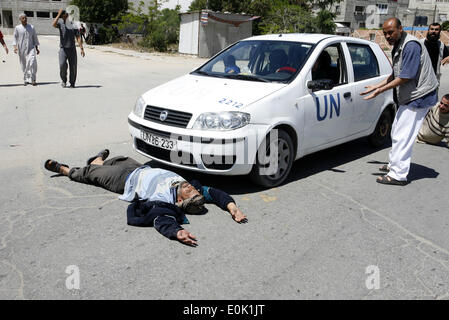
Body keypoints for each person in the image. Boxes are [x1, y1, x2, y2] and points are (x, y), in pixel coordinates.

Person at [43, 149, 247, 246]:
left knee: (91, 174)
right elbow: (215, 194)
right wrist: (232, 207)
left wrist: (176, 232)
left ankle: (65, 169)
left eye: (189, 192)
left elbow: (161, 218)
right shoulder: (191, 188)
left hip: (124, 181)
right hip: (138, 167)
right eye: (193, 190)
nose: (190, 187)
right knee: (118, 159)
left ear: (179, 201)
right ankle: (98, 160)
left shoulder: (163, 200)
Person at [360, 18, 439, 186]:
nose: (388, 36)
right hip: (410, 96)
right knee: (396, 131)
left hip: (419, 97)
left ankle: (398, 174)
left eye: (391, 32)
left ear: (400, 29)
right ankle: (393, 164)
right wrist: (376, 85)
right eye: (385, 33)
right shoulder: (399, 43)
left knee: (404, 135)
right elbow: (396, 73)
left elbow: (405, 76)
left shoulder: (410, 46)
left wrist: (380, 91)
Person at [52, 9, 85, 88]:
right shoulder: (60, 23)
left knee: (73, 67)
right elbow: (53, 24)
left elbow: (78, 37)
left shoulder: (73, 25)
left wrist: (81, 48)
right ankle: (64, 80)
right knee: (62, 65)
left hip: (72, 49)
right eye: (63, 14)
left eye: (66, 14)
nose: (65, 15)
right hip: (63, 49)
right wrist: (58, 14)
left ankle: (72, 83)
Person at [12, 13, 40, 86]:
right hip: (21, 49)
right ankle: (26, 79)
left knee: (32, 62)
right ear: (20, 19)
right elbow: (15, 37)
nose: (25, 19)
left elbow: (34, 38)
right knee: (23, 64)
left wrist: (37, 48)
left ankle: (33, 79)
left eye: (26, 18)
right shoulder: (17, 28)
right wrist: (15, 47)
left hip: (31, 48)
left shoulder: (31, 27)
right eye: (23, 18)